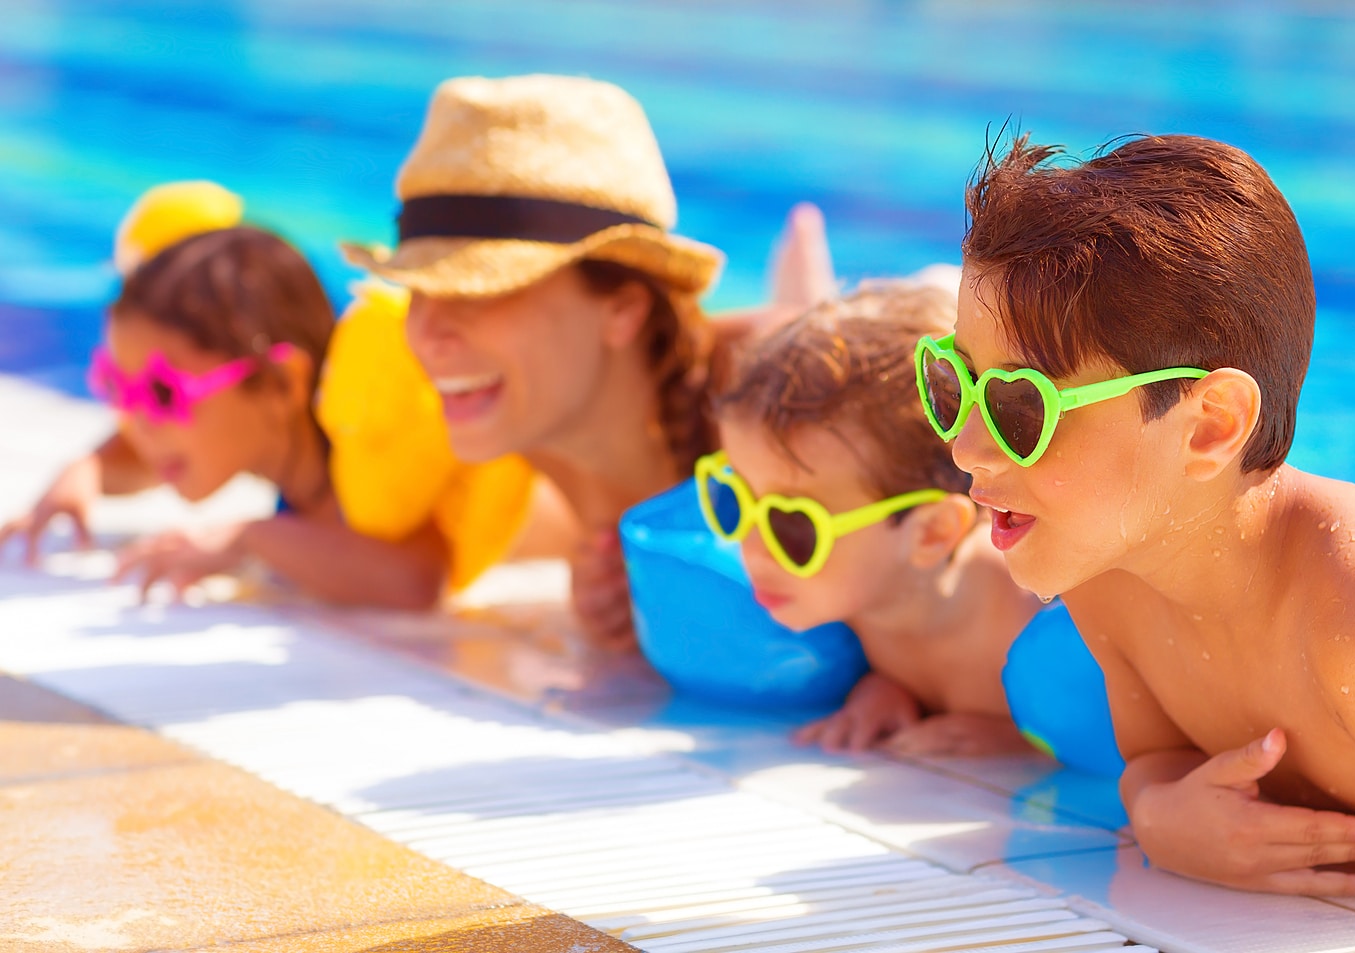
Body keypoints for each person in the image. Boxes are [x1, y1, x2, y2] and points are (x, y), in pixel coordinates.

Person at [925, 133, 1355, 899]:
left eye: (1021, 406)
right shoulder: (1106, 569)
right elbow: (1156, 760)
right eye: (956, 383)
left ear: (1209, 425)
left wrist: (1285, 853)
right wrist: (1158, 814)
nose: (966, 445)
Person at [344, 73, 833, 647]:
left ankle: (810, 301)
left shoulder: (785, 394)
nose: (426, 334)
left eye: (478, 290)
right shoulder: (524, 418)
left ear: (622, 308)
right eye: (417, 291)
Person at [0, 182, 533, 607]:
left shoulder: (369, 457)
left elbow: (416, 581)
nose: (137, 423)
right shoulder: (269, 442)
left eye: (164, 393)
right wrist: (88, 472)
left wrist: (248, 538)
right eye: (119, 389)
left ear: (281, 382)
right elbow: (145, 448)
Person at [703, 285, 1040, 755]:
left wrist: (1024, 743)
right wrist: (887, 688)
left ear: (931, 533)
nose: (752, 548)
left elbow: (1131, 730)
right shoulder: (860, 587)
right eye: (732, 499)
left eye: (794, 525)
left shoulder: (1025, 612)